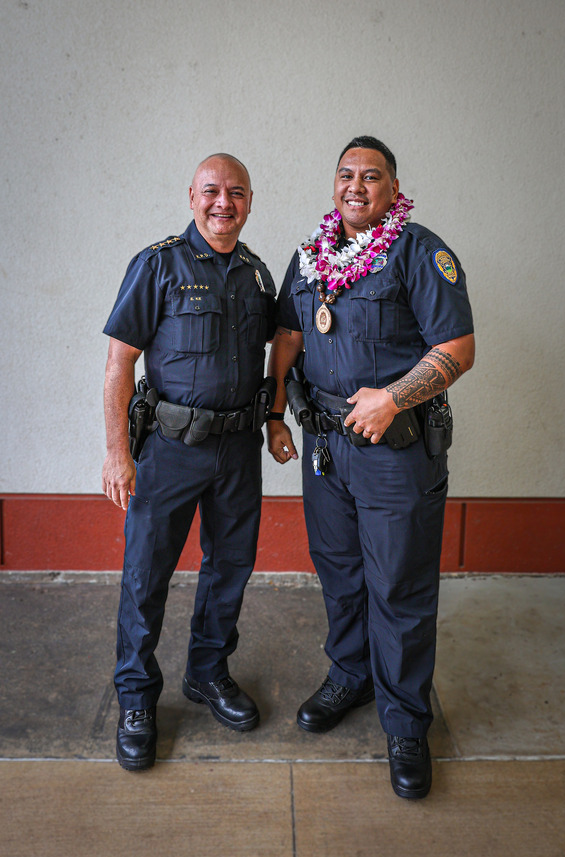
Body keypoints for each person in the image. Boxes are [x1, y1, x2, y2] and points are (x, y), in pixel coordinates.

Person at [267, 136, 475, 799]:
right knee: (340, 571)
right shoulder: (311, 256)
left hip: (396, 452)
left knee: (399, 586)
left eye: (371, 176)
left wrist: (394, 398)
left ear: (393, 189)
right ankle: (351, 675)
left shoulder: (419, 252)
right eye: (346, 174)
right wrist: (275, 412)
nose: (355, 186)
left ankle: (406, 721)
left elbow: (457, 347)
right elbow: (290, 336)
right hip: (327, 448)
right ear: (334, 185)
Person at [102, 154, 277, 771]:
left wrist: (277, 418)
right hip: (171, 449)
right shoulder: (157, 264)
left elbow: (282, 347)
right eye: (211, 191)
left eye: (236, 192)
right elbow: (119, 362)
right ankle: (135, 698)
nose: (223, 202)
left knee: (230, 567)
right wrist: (118, 453)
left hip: (238, 449)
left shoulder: (257, 275)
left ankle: (207, 671)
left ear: (249, 201)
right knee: (146, 574)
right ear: (192, 196)